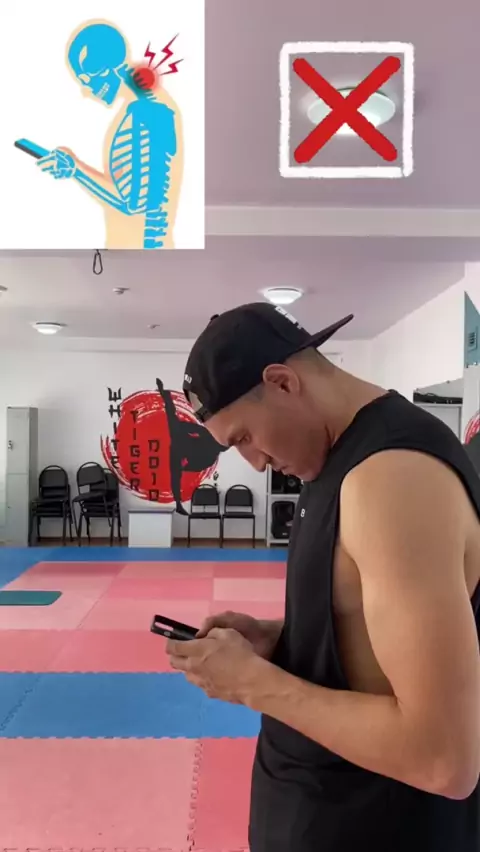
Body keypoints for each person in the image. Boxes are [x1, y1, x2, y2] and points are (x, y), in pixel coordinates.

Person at [167, 302, 480, 852]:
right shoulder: (332, 456)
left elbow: (443, 759)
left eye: (243, 437)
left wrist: (251, 683)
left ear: (283, 383)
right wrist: (283, 638)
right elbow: (367, 631)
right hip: (315, 809)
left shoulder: (391, 479)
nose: (254, 463)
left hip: (378, 828)